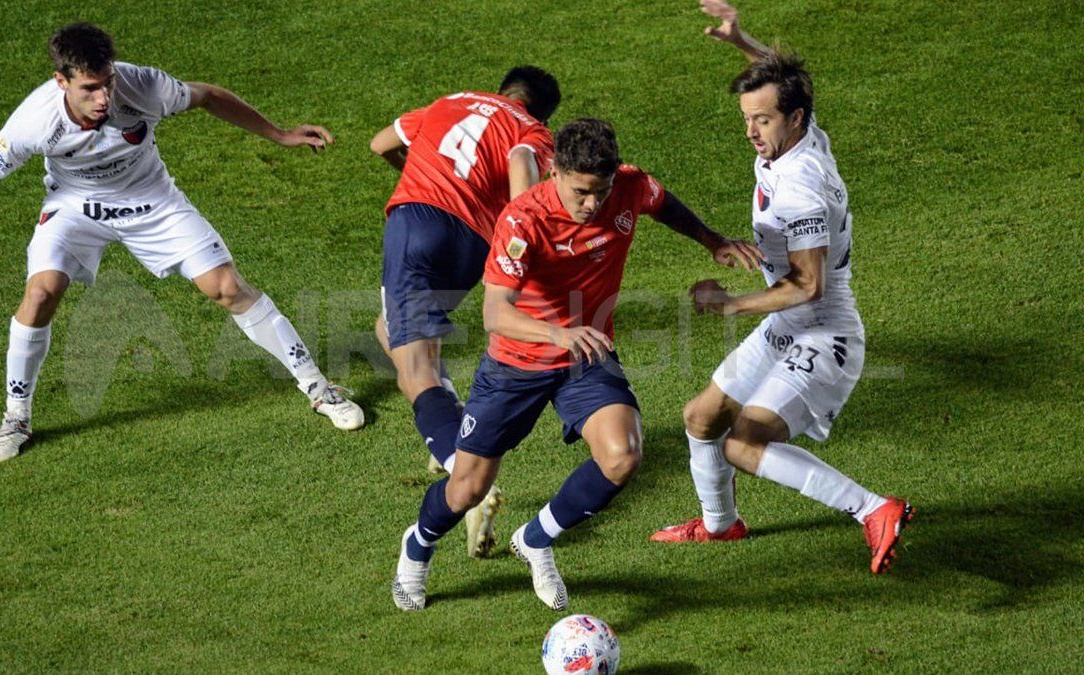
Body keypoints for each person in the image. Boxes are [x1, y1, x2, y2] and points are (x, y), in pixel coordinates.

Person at [391, 118, 761, 611]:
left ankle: (536, 539)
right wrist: (557, 333)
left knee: (622, 454)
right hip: (516, 364)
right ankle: (417, 547)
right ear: (554, 171)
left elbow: (660, 201)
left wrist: (712, 240)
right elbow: (495, 312)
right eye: (582, 191)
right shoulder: (523, 221)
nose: (593, 204)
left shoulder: (627, 186)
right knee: (467, 487)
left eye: (601, 191)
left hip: (585, 356)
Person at [0, 23, 364, 462]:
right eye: (90, 89)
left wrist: (279, 134)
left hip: (151, 200)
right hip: (76, 207)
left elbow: (207, 95)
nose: (104, 99)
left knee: (225, 286)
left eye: (107, 83)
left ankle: (320, 388)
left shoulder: (143, 85)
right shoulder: (35, 120)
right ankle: (16, 417)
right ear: (62, 81)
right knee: (39, 294)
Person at [650, 0, 913, 575]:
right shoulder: (803, 134)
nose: (750, 131)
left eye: (762, 120)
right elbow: (790, 82)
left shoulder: (799, 185)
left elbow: (809, 284)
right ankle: (721, 526)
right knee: (701, 419)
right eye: (746, 119)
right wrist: (743, 40)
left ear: (794, 119)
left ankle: (873, 508)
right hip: (788, 328)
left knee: (743, 445)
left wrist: (730, 303)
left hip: (824, 337)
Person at [369, 67, 561, 557]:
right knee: (391, 330)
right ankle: (452, 424)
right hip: (472, 243)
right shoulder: (531, 129)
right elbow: (524, 182)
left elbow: (380, 144)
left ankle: (460, 465)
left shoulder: (447, 102)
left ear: (503, 88)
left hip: (417, 221)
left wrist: (422, 177)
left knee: (412, 368)